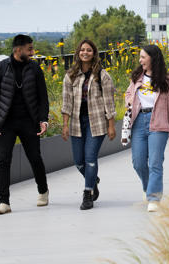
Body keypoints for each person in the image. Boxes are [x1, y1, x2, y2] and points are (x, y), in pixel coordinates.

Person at [0, 34, 50, 215]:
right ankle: (4, 202)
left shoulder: (35, 68)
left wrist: (43, 119)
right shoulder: (0, 68)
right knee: (3, 159)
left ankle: (43, 190)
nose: (33, 52)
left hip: (29, 121)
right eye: (29, 49)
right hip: (5, 122)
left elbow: (43, 98)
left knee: (34, 158)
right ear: (18, 50)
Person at [124, 45, 169, 212]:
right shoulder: (137, 76)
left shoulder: (167, 81)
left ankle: (154, 197)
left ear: (153, 58)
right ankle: (148, 186)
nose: (140, 60)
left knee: (155, 163)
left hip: (158, 123)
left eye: (143, 57)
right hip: (138, 123)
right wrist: (129, 101)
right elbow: (128, 94)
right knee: (138, 162)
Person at [61, 39, 116, 210]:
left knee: (90, 158)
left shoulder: (102, 75)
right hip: (77, 123)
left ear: (94, 53)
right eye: (82, 50)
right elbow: (66, 102)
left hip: (97, 123)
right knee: (79, 162)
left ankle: (88, 194)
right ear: (78, 53)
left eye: (89, 50)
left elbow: (109, 102)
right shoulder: (70, 75)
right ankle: (93, 180)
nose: (85, 53)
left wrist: (111, 125)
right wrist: (65, 125)